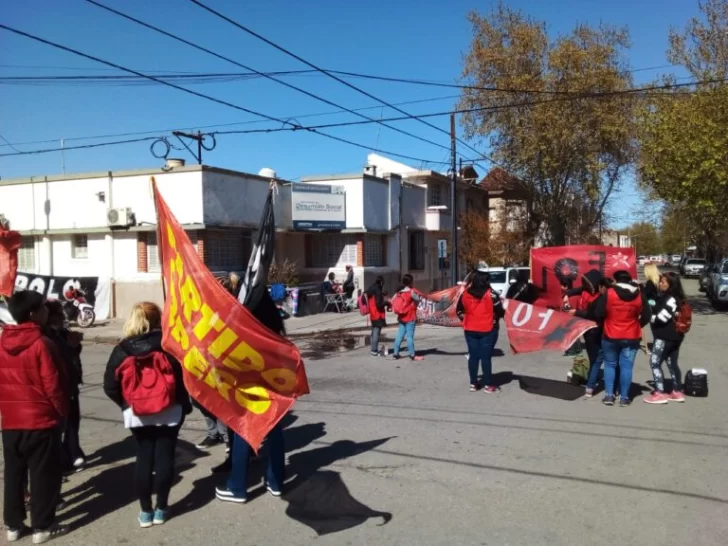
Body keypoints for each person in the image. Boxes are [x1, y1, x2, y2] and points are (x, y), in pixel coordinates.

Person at [103, 302, 192, 528]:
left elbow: (110, 385)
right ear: (157, 320)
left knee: (144, 456)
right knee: (165, 457)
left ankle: (145, 512)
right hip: (170, 409)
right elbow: (185, 378)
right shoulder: (169, 345)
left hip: (137, 412)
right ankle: (161, 508)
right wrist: (182, 403)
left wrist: (126, 404)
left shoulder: (122, 349)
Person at [0, 291, 68, 543]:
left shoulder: (2, 341)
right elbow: (54, 385)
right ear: (32, 313)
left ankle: (13, 525)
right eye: (42, 307)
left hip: (11, 421)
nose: (47, 310)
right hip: (40, 420)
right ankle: (43, 526)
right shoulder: (42, 344)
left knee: (14, 474)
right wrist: (63, 412)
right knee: (43, 475)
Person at [215, 290, 286, 504]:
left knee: (243, 431)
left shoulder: (242, 325)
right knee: (275, 430)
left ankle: (237, 486)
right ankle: (276, 482)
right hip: (273, 382)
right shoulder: (273, 324)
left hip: (247, 385)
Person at [593, 271, 651, 406]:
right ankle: (624, 397)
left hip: (610, 334)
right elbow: (647, 315)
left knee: (610, 365)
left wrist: (606, 321)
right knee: (627, 367)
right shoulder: (639, 294)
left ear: (615, 280)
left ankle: (609, 395)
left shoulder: (609, 293)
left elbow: (598, 313)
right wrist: (637, 324)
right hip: (631, 336)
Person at [43, 300, 85, 472]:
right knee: (61, 423)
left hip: (71, 382)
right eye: (59, 314)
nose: (63, 317)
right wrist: (71, 346)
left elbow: (71, 355)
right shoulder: (46, 336)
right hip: (60, 385)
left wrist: (75, 346)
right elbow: (59, 358)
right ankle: (67, 456)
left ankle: (73, 453)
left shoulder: (60, 332)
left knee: (73, 420)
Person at [456, 270, 505, 393]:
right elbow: (500, 311)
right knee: (485, 357)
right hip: (488, 329)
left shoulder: (465, 294)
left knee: (473, 356)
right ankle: (488, 385)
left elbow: (459, 310)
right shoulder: (492, 294)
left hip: (470, 329)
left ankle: (473, 383)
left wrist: (466, 318)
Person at [644, 272, 687, 404]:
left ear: (671, 285)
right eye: (661, 281)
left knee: (655, 362)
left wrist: (649, 317)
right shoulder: (668, 297)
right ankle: (676, 391)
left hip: (665, 336)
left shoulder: (672, 299)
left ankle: (660, 392)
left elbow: (661, 318)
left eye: (663, 282)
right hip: (675, 336)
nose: (661, 284)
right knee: (671, 363)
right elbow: (658, 307)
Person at [566, 271, 606, 397]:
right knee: (593, 356)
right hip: (587, 330)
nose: (586, 286)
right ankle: (591, 379)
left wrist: (577, 312)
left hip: (597, 328)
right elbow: (574, 291)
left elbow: (595, 315)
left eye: (589, 283)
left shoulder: (601, 296)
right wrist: (566, 294)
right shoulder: (585, 290)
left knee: (598, 358)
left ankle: (591, 382)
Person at [391, 274, 424, 361]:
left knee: (399, 336)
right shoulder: (411, 292)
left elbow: (392, 300)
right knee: (409, 337)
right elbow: (418, 300)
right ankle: (412, 355)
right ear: (410, 282)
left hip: (401, 317)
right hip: (410, 316)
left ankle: (395, 353)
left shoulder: (398, 292)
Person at [366, 276, 388, 357]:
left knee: (373, 332)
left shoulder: (372, 288)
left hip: (372, 313)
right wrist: (386, 302)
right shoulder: (377, 290)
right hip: (377, 313)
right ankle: (374, 351)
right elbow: (379, 304)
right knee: (376, 332)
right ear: (381, 282)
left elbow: (373, 296)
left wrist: (382, 293)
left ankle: (373, 349)